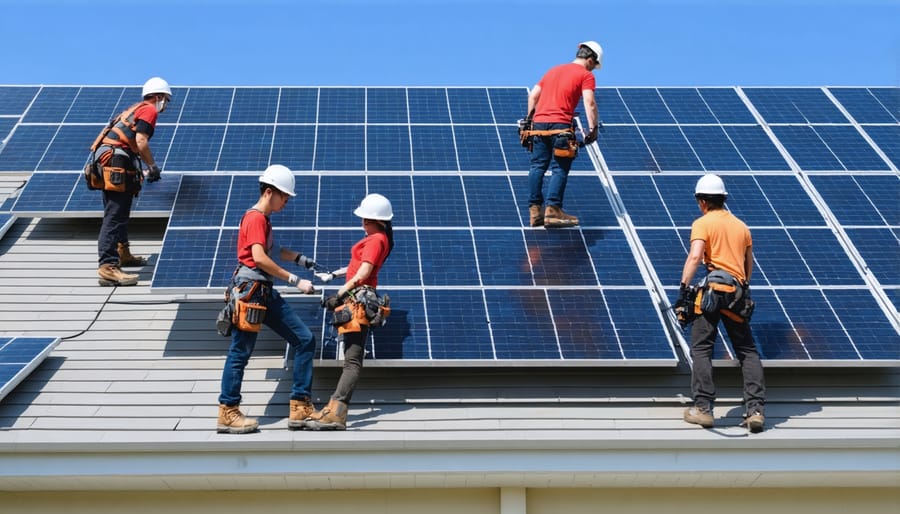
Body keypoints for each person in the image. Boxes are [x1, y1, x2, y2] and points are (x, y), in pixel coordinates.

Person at [217, 164, 319, 434]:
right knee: (240, 351)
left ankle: (300, 406)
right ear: (269, 192)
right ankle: (228, 411)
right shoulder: (255, 218)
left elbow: (271, 250)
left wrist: (300, 259)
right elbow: (260, 258)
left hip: (263, 292)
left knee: (305, 340)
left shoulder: (263, 220)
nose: (286, 202)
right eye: (285, 196)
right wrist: (296, 280)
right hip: (252, 292)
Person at [676, 174, 766, 432]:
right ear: (723, 199)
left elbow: (695, 257)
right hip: (737, 293)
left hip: (712, 294)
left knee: (702, 348)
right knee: (747, 350)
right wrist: (742, 288)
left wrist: (683, 289)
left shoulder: (702, 223)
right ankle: (756, 411)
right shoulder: (741, 226)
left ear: (703, 201)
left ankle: (703, 409)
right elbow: (748, 264)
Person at [302, 193, 394, 431]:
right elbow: (357, 267)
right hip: (357, 299)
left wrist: (340, 294)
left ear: (377, 220)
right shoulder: (377, 239)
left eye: (366, 219)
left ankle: (336, 412)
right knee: (352, 359)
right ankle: (334, 410)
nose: (362, 222)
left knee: (352, 361)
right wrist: (333, 274)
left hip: (357, 302)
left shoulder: (376, 240)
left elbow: (363, 273)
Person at [94, 77, 171, 286]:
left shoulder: (135, 108)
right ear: (158, 97)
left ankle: (123, 253)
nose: (165, 105)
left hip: (110, 161)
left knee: (120, 211)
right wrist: (152, 166)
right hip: (116, 163)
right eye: (165, 100)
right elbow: (141, 140)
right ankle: (108, 266)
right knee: (115, 214)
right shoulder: (149, 109)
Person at [524, 41, 602, 228]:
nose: (593, 69)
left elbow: (533, 96)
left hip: (538, 125)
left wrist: (530, 122)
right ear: (590, 60)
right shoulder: (586, 75)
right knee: (559, 168)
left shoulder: (553, 70)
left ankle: (535, 212)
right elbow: (589, 102)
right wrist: (593, 129)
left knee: (537, 166)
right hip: (560, 127)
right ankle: (553, 210)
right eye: (594, 65)